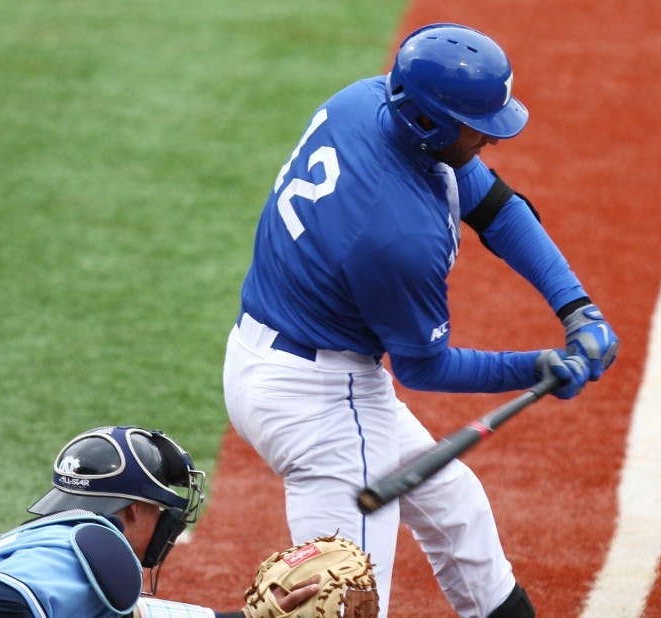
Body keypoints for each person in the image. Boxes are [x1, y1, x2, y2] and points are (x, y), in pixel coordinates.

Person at [222, 22, 619, 618]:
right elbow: (424, 366)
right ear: (429, 122)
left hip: (272, 359)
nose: (491, 138)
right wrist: (534, 365)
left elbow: (497, 210)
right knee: (345, 604)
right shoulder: (396, 234)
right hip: (323, 407)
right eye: (478, 127)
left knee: (458, 513)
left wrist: (575, 306)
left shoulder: (367, 101)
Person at [0, 426, 319, 618]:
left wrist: (252, 616)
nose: (169, 519)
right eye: (160, 506)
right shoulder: (87, 549)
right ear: (133, 509)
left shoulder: (66, 541)